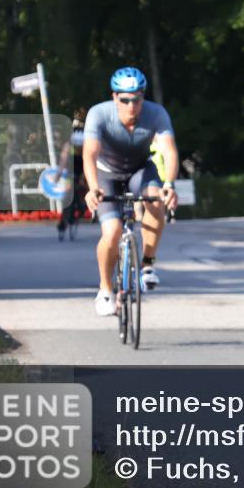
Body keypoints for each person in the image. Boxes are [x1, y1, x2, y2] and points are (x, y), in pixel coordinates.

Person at [83, 67, 179, 316]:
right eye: (125, 99)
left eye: (136, 98)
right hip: (106, 174)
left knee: (156, 201)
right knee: (112, 230)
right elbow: (90, 153)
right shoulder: (99, 114)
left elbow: (169, 150)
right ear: (115, 97)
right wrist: (93, 187)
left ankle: (147, 265)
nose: (131, 105)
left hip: (139, 169)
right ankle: (105, 290)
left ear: (142, 97)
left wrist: (169, 184)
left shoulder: (156, 114)